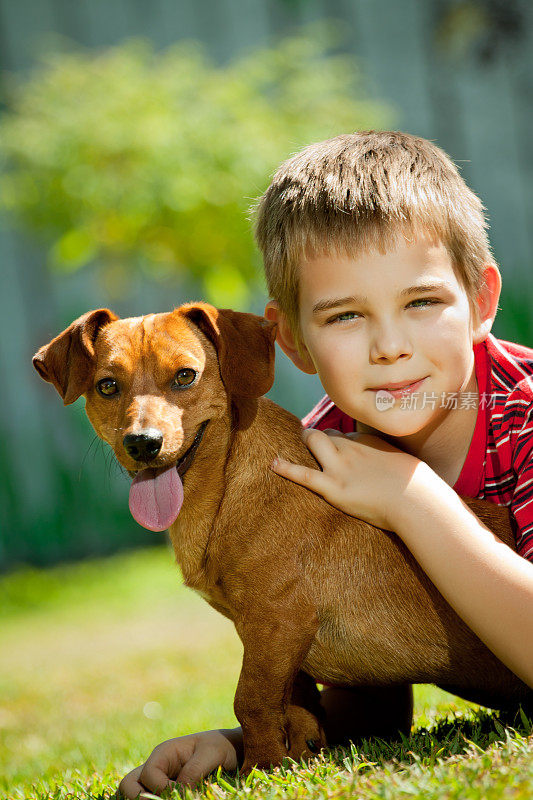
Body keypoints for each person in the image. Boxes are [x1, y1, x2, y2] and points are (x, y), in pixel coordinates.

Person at [116, 131, 533, 799]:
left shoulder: (523, 423)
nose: (389, 346)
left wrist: (411, 498)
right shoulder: (321, 455)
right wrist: (249, 738)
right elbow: (370, 685)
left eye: (421, 302)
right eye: (344, 316)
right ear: (292, 342)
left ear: (480, 302)